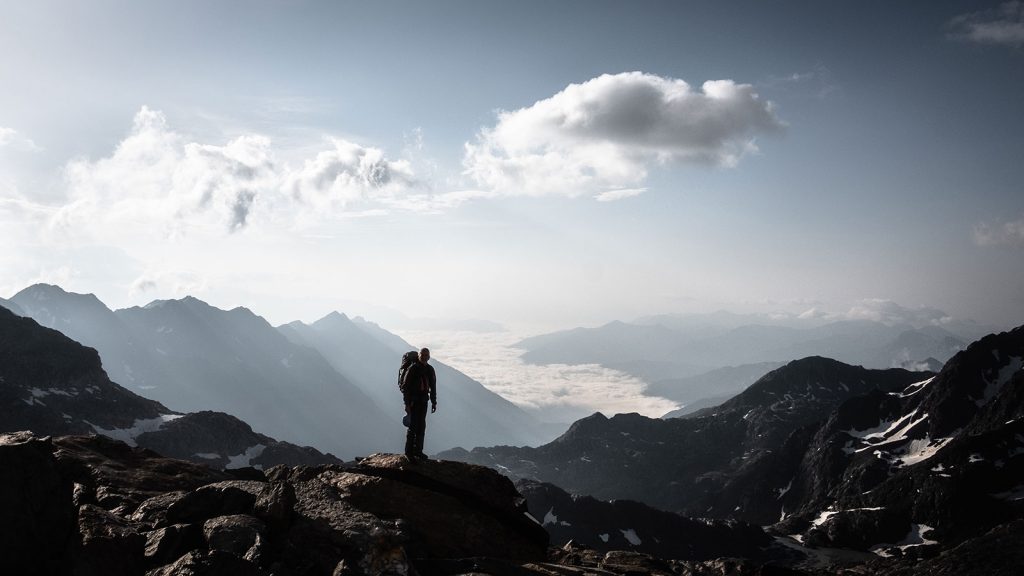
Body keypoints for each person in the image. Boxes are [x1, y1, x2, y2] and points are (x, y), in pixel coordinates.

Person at [402, 347, 437, 460]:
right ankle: (409, 453)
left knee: (421, 426)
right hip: (413, 402)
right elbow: (405, 387)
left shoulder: (430, 369)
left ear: (429, 357)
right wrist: (407, 404)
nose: (424, 357)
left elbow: (433, 386)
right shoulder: (413, 369)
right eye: (422, 355)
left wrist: (434, 402)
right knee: (413, 426)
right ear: (419, 355)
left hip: (423, 401)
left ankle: (418, 451)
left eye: (426, 355)